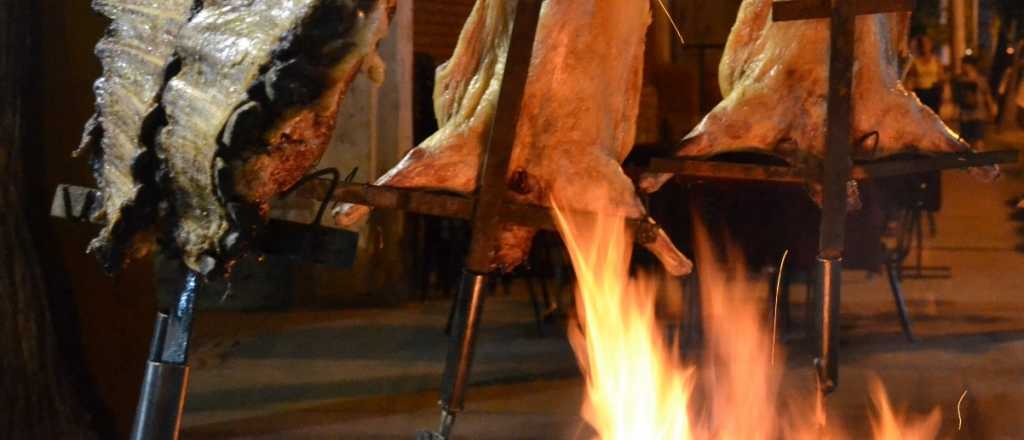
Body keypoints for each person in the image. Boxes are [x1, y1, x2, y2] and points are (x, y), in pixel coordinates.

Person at [953, 55, 998, 148]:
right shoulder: (959, 80)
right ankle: (970, 161)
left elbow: (987, 94)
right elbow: (957, 98)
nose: (962, 67)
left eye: (964, 64)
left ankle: (979, 160)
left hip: (978, 115)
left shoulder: (981, 80)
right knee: (966, 143)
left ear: (970, 66)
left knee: (978, 141)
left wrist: (991, 108)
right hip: (965, 115)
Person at [906, 35, 945, 113]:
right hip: (920, 93)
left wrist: (941, 93)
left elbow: (941, 77)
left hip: (933, 92)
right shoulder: (915, 62)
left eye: (926, 44)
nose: (924, 46)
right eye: (922, 44)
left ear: (930, 45)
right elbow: (910, 79)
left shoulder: (936, 60)